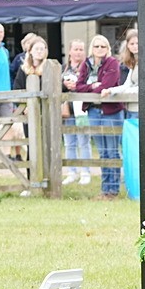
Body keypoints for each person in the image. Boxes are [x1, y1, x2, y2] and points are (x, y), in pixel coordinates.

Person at [76, 35, 122, 198]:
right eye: (97, 46)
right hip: (93, 111)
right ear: (92, 49)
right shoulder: (86, 64)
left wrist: (92, 88)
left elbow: (108, 85)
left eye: (103, 46)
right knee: (102, 152)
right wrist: (92, 86)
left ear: (108, 48)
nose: (100, 49)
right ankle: (104, 189)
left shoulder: (113, 63)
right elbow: (78, 87)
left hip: (111, 111)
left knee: (112, 151)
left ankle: (113, 189)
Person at [61, 39, 91, 185]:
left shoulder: (88, 68)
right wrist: (64, 85)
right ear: (70, 51)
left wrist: (78, 85)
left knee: (83, 142)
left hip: (81, 111)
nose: (78, 52)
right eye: (76, 49)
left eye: (81, 49)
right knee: (69, 143)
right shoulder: (63, 68)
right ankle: (71, 172)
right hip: (67, 111)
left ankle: (86, 172)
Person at [103, 29, 139, 116]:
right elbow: (127, 85)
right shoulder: (134, 63)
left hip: (142, 109)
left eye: (137, 43)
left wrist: (126, 91)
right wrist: (110, 90)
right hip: (130, 108)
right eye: (132, 44)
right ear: (128, 46)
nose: (135, 46)